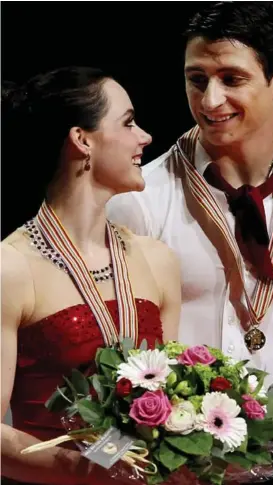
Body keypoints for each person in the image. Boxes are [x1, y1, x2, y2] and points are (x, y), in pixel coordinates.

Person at [106, 3, 273, 484]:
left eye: (231, 79)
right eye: (197, 80)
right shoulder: (137, 203)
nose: (210, 100)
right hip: (182, 472)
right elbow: (112, 360)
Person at [1, 66, 181, 485]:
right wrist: (90, 468)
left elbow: (170, 405)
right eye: (129, 122)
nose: (145, 137)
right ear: (82, 140)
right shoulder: (12, 267)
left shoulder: (158, 261)